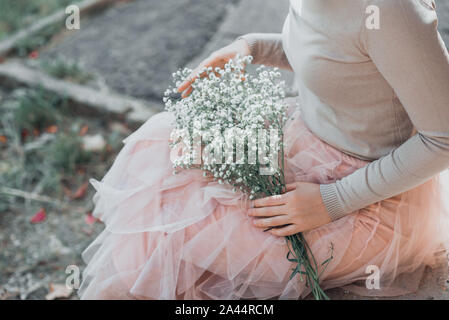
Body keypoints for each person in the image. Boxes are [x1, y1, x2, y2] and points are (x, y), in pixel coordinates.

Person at [79, 0, 449, 299]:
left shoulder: (391, 11)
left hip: (372, 199)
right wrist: (252, 47)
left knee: (179, 233)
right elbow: (339, 56)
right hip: (305, 140)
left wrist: (331, 200)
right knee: (160, 150)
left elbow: (443, 139)